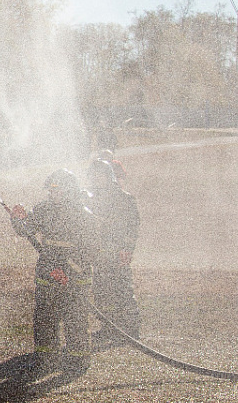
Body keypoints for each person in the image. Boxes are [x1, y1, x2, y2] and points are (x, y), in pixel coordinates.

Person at [9, 169, 99, 372]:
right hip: (47, 276)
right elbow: (25, 230)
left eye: (57, 190)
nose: (52, 194)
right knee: (44, 318)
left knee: (75, 320)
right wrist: (18, 218)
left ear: (70, 191)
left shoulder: (84, 217)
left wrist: (69, 271)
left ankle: (77, 361)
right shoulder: (43, 210)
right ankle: (46, 358)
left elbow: (90, 252)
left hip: (74, 280)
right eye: (50, 190)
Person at [87, 155, 141, 338]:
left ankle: (131, 327)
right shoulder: (91, 199)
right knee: (101, 290)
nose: (96, 180)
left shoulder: (124, 199)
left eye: (100, 176)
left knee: (122, 289)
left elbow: (132, 227)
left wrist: (127, 249)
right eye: (94, 177)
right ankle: (109, 327)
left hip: (118, 254)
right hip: (100, 255)